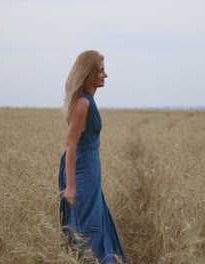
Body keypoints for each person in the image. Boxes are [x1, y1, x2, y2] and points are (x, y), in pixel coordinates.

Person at [58, 50, 126, 263]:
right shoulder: (82, 104)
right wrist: (70, 186)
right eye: (101, 71)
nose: (105, 76)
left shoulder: (87, 100)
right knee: (89, 226)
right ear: (88, 73)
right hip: (80, 173)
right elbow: (71, 145)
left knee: (94, 221)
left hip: (90, 168)